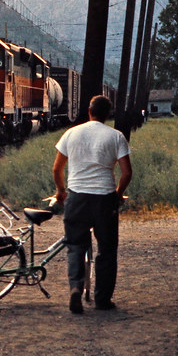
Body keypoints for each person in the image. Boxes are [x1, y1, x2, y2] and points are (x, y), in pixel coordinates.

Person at [52, 95, 133, 314]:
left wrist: (61, 191)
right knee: (106, 250)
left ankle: (76, 288)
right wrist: (118, 194)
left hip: (77, 197)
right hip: (104, 200)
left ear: (89, 110)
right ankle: (102, 299)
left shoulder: (71, 133)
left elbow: (57, 168)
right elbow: (126, 173)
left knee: (75, 246)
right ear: (108, 114)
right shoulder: (116, 137)